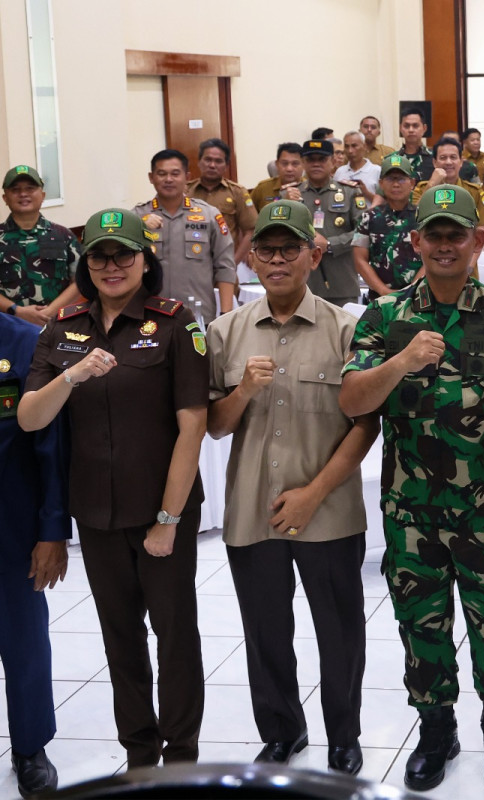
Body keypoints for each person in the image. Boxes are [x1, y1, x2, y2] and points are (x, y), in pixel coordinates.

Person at [340, 185, 484, 791]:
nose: (447, 245)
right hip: (412, 514)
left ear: (479, 241)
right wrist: (401, 361)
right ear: (416, 242)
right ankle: (436, 729)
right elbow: (353, 401)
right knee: (421, 627)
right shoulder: (384, 316)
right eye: (436, 234)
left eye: (459, 234)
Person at [18, 208, 208, 768]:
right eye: (99, 255)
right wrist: (72, 375)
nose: (111, 265)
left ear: (145, 260)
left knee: (175, 637)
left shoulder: (176, 323)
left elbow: (193, 425)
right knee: (120, 640)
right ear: (86, 264)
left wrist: (168, 521)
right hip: (97, 515)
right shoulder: (63, 327)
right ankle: (140, 754)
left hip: (161, 510)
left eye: (124, 254)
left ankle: (182, 756)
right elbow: (31, 418)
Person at [207, 200, 378, 776]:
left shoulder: (347, 327)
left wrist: (313, 492)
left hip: (327, 509)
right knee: (265, 630)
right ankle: (281, 730)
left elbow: (365, 426)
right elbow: (213, 425)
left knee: (340, 630)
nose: (277, 260)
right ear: (251, 257)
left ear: (314, 252)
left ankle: (343, 735)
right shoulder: (225, 331)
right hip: (252, 509)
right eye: (266, 250)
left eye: (289, 249)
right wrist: (242, 393)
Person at [0, 308, 69, 798]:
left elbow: (50, 446)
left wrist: (52, 530)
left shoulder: (26, 343)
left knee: (22, 637)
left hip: (11, 520)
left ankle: (29, 747)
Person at [134, 149, 236, 325]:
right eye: (161, 174)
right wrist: (139, 228)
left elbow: (225, 267)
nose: (168, 179)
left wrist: (225, 316)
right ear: (151, 177)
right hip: (149, 315)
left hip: (198, 314)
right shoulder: (137, 217)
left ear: (187, 176)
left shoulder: (209, 215)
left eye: (175, 173)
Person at [0, 165, 82, 324]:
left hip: (56, 325)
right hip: (8, 329)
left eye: (30, 188)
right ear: (5, 198)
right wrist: (17, 311)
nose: (23, 194)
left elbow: (80, 280)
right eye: (15, 189)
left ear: (43, 195)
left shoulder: (64, 236)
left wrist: (49, 312)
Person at [297, 139, 366, 307]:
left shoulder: (350, 192)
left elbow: (363, 232)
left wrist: (330, 244)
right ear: (303, 163)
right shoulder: (292, 194)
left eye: (322, 159)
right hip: (302, 283)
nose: (316, 164)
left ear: (333, 162)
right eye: (311, 160)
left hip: (341, 281)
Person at [352, 154, 421, 299]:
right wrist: (383, 291)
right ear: (381, 184)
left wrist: (411, 290)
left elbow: (431, 258)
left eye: (401, 179)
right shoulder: (368, 218)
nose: (396, 184)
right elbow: (360, 260)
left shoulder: (423, 218)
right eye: (390, 179)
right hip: (379, 299)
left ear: (412, 183)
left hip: (418, 297)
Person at [185, 139, 257, 266]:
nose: (212, 165)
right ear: (199, 162)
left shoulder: (237, 192)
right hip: (191, 269)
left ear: (226, 165)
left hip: (225, 267)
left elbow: (250, 231)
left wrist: (232, 264)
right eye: (207, 160)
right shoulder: (186, 191)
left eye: (218, 161)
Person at [411, 137, 484, 238]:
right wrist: (431, 185)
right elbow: (412, 219)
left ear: (461, 162)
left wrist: (472, 254)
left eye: (453, 157)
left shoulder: (475, 192)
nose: (448, 162)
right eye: (443, 158)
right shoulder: (421, 189)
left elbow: (482, 228)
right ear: (434, 162)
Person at [250, 143, 305, 211]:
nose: (289, 169)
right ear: (277, 164)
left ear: (304, 165)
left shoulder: (310, 188)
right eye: (284, 163)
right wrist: (284, 203)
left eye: (295, 164)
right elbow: (249, 216)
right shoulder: (262, 188)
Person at [334, 131, 382, 199]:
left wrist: (365, 192)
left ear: (364, 146)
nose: (350, 151)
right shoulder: (340, 172)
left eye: (354, 146)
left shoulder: (377, 171)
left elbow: (385, 203)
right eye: (347, 146)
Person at [398, 107, 435, 182]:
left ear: (424, 128)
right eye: (406, 126)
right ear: (400, 128)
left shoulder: (435, 159)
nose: (411, 130)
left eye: (415, 126)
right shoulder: (392, 159)